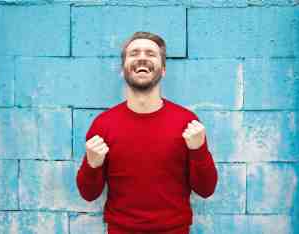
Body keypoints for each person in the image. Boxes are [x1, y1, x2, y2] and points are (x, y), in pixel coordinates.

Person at [76, 31, 218, 234]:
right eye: (134, 53)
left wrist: (199, 150)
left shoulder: (187, 123)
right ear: (123, 69)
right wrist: (92, 165)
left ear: (164, 69)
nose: (142, 57)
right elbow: (88, 194)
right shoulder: (103, 125)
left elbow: (206, 189)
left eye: (151, 54)